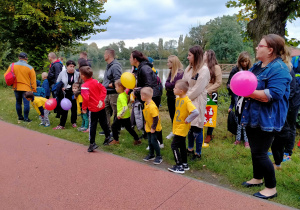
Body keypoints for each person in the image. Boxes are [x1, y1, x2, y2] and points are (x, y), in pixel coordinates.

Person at [240, 34, 291, 200]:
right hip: (252, 115)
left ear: (270, 50)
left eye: (260, 46)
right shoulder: (257, 66)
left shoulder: (280, 69)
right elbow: (247, 82)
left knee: (261, 152)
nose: (256, 47)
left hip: (268, 118)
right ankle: (257, 178)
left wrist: (247, 92)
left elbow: (273, 94)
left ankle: (271, 187)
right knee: (255, 151)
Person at [183, 45, 210, 160]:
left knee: (197, 127)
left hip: (197, 100)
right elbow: (184, 82)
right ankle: (190, 149)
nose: (188, 57)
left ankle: (198, 153)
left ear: (196, 56)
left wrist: (184, 98)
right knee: (189, 125)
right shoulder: (189, 68)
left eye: (190, 55)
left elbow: (197, 89)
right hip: (188, 99)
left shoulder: (204, 70)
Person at [167, 80, 199, 174]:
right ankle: (184, 164)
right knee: (181, 145)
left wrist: (188, 119)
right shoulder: (178, 99)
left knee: (174, 145)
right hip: (177, 127)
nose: (173, 89)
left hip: (182, 127)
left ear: (181, 91)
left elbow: (195, 112)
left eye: (175, 88)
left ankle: (179, 165)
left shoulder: (187, 101)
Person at [79, 66, 111, 152]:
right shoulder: (96, 81)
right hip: (101, 106)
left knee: (92, 125)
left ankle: (92, 143)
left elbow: (85, 99)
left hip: (93, 108)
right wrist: (101, 100)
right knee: (103, 122)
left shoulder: (84, 86)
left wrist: (84, 108)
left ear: (82, 76)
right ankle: (108, 136)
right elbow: (104, 90)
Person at [227, 52, 252, 148]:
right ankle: (238, 139)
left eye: (246, 61)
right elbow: (229, 84)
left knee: (245, 123)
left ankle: (247, 141)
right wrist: (231, 104)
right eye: (242, 61)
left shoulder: (251, 70)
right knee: (238, 122)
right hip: (237, 99)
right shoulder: (235, 70)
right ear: (239, 61)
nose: (244, 63)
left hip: (247, 100)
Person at [4, 52, 37, 123]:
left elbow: (6, 75)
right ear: (26, 58)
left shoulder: (12, 65)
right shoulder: (30, 68)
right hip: (26, 88)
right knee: (26, 104)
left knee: (18, 102)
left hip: (16, 87)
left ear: (19, 58)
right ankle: (26, 118)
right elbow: (33, 80)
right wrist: (34, 89)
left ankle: (20, 117)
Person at [109, 80, 142, 146]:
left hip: (122, 116)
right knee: (129, 128)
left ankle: (116, 140)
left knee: (113, 127)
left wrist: (120, 115)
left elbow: (125, 107)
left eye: (116, 87)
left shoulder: (121, 96)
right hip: (126, 116)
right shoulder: (124, 94)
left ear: (120, 87)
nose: (115, 88)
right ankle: (137, 139)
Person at [53, 60, 79, 130]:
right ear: (67, 66)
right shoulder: (62, 73)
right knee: (65, 109)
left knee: (74, 108)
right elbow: (57, 82)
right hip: (65, 93)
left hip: (73, 93)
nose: (72, 68)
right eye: (70, 66)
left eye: (73, 66)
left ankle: (73, 122)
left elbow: (79, 83)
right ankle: (62, 124)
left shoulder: (77, 74)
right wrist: (61, 87)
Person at [101, 48, 122, 134]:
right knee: (106, 110)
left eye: (104, 54)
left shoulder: (115, 66)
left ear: (108, 55)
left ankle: (116, 130)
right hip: (107, 92)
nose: (104, 55)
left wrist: (112, 84)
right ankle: (107, 129)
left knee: (116, 111)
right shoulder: (108, 65)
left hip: (113, 93)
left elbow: (119, 81)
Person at [203, 50, 222, 144]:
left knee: (210, 115)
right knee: (201, 112)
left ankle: (209, 134)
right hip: (201, 94)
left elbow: (218, 83)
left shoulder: (216, 67)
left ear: (209, 56)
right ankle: (199, 133)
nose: (203, 55)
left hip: (212, 94)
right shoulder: (201, 67)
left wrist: (207, 90)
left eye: (204, 54)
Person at [141, 87, 163, 165]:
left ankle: (159, 156)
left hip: (154, 127)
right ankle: (151, 154)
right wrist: (145, 123)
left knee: (154, 141)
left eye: (141, 95)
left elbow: (156, 118)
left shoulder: (152, 107)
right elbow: (146, 115)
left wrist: (153, 128)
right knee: (150, 141)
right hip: (148, 126)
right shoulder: (146, 104)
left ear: (144, 96)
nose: (140, 96)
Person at [165, 55, 184, 140]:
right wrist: (169, 85)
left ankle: (178, 132)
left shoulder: (179, 73)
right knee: (172, 115)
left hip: (176, 97)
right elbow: (166, 84)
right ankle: (174, 130)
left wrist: (170, 85)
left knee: (177, 115)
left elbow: (175, 85)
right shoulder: (171, 72)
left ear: (173, 63)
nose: (167, 63)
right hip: (170, 96)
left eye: (169, 62)